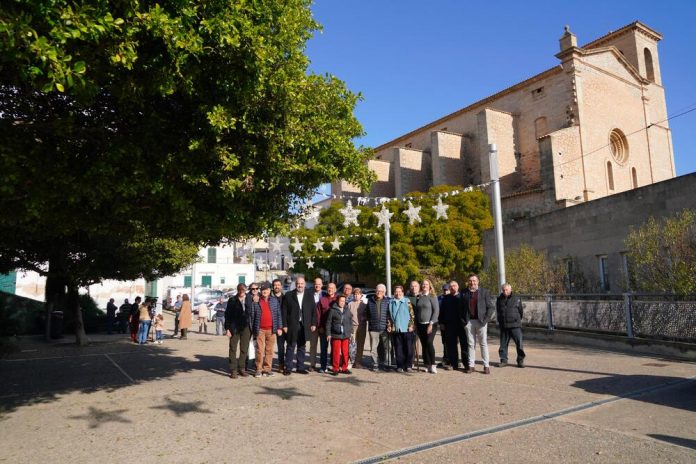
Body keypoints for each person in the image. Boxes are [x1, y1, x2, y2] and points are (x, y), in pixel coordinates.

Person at [281, 276, 317, 375]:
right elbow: (284, 312)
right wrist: (284, 325)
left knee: (302, 346)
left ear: (304, 284)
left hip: (305, 325)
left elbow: (314, 311)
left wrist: (313, 323)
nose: (299, 285)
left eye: (301, 284)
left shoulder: (309, 295)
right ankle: (288, 368)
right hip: (292, 324)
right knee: (290, 346)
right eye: (298, 284)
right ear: (295, 284)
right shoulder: (288, 295)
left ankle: (300, 367)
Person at [461, 274, 495, 374]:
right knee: (471, 344)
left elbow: (491, 307)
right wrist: (464, 321)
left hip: (481, 322)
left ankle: (486, 366)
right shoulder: (464, 293)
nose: (472, 282)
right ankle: (471, 366)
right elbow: (460, 308)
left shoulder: (484, 292)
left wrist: (485, 320)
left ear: (478, 282)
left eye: (474, 280)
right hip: (469, 322)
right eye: (470, 281)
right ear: (468, 282)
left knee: (483, 344)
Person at [252, 283, 283, 377]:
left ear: (270, 291)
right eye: (263, 290)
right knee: (260, 350)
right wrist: (253, 329)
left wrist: (279, 327)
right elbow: (253, 315)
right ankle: (258, 369)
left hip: (272, 330)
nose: (265, 291)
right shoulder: (256, 301)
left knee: (269, 350)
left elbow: (278, 314)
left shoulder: (274, 301)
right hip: (260, 329)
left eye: (266, 290)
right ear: (261, 291)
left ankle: (267, 369)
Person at [439, 281, 468, 370]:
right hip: (449, 325)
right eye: (450, 286)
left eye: (454, 286)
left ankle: (466, 364)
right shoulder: (446, 298)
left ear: (458, 287)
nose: (452, 288)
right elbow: (442, 311)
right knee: (451, 345)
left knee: (464, 345)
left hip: (461, 325)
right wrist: (441, 322)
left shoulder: (463, 297)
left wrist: (466, 322)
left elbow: (467, 310)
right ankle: (453, 363)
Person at [225, 283, 252, 378]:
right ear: (237, 290)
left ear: (245, 290)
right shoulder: (232, 300)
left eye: (243, 290)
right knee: (233, 348)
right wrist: (227, 329)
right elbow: (227, 315)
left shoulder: (250, 298)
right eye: (239, 290)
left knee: (244, 348)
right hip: (234, 327)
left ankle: (242, 368)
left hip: (246, 327)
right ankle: (233, 369)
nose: (241, 292)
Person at [496, 283, 526, 368]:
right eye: (504, 290)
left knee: (519, 344)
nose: (505, 291)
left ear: (510, 290)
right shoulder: (499, 299)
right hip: (504, 326)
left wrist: (516, 320)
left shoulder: (517, 298)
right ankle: (503, 360)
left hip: (515, 325)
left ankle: (520, 361)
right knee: (503, 345)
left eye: (507, 290)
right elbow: (498, 312)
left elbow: (521, 312)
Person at [387, 286, 415, 373]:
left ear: (402, 293)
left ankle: (408, 365)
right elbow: (389, 316)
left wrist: (411, 325)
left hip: (406, 328)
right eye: (396, 291)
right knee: (398, 348)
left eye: (399, 291)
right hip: (396, 328)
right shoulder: (391, 302)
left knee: (408, 348)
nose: (398, 293)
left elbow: (412, 315)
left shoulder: (407, 301)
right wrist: (389, 326)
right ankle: (400, 366)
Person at [415, 279, 440, 374]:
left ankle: (433, 364)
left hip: (431, 324)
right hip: (420, 324)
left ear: (430, 286)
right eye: (423, 284)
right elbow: (417, 311)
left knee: (429, 343)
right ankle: (427, 364)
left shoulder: (432, 296)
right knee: (424, 344)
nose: (424, 286)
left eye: (426, 284)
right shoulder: (419, 297)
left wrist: (431, 323)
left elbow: (436, 311)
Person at [326, 294, 353, 376]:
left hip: (345, 335)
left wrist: (351, 332)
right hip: (335, 334)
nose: (342, 302)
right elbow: (328, 322)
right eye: (341, 301)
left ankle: (344, 368)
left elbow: (350, 321)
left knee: (345, 352)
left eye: (344, 301)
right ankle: (335, 368)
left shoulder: (347, 309)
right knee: (336, 352)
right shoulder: (332, 310)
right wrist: (328, 334)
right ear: (337, 301)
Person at [366, 284, 390, 372]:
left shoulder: (387, 301)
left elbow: (389, 314)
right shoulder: (370, 301)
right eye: (377, 291)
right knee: (373, 348)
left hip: (384, 328)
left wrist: (389, 325)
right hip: (373, 328)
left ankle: (383, 363)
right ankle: (374, 364)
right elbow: (367, 313)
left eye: (381, 291)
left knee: (385, 347)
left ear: (384, 292)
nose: (379, 292)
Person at [315, 282, 337, 373]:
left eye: (332, 288)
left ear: (335, 290)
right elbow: (318, 314)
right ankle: (323, 366)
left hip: (334, 329)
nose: (330, 289)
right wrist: (319, 326)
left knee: (334, 349)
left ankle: (333, 366)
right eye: (328, 288)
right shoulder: (322, 300)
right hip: (323, 328)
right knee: (323, 348)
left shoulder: (338, 300)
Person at [347, 287, 367, 368]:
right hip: (352, 327)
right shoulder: (350, 304)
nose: (356, 296)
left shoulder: (364, 305)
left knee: (360, 345)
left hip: (362, 326)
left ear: (361, 295)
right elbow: (347, 316)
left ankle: (358, 362)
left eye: (358, 294)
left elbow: (367, 315)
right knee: (352, 345)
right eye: (355, 294)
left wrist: (364, 318)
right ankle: (351, 361)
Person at [308, 277, 324, 371]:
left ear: (322, 285)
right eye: (315, 284)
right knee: (313, 346)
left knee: (323, 346)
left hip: (323, 325)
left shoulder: (325, 295)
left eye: (319, 284)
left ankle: (323, 365)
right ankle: (312, 364)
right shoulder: (309, 295)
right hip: (313, 325)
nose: (317, 285)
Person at [271, 279, 286, 373]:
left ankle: (283, 364)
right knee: (272, 346)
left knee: (283, 347)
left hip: (284, 326)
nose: (277, 286)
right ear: (273, 286)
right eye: (275, 285)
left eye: (278, 285)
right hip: (273, 325)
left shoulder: (286, 297)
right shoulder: (270, 298)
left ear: (281, 286)